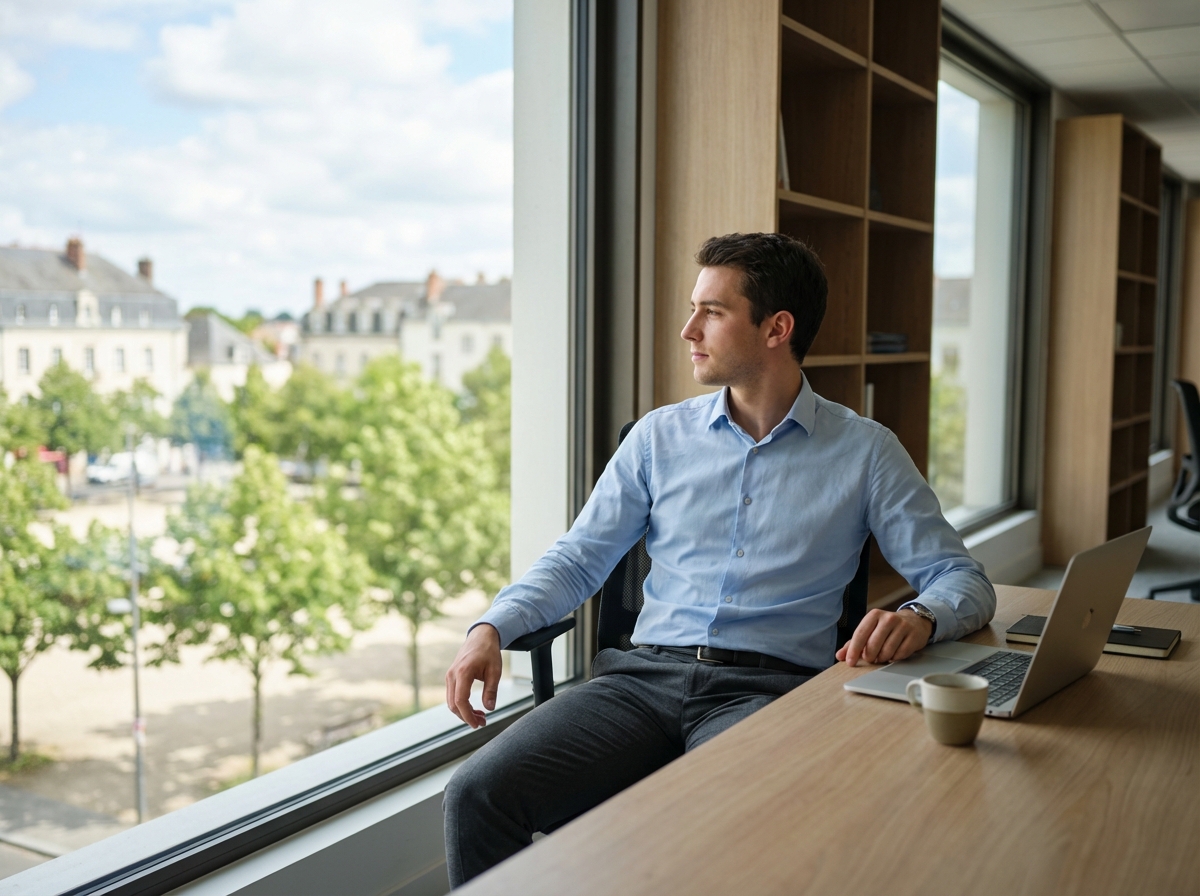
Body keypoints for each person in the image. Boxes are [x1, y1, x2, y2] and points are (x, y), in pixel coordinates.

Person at [442, 232, 995, 887]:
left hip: (769, 694)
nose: (688, 330)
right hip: (639, 683)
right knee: (476, 795)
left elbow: (962, 578)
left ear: (776, 329)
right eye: (693, 309)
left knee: (704, 836)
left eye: (712, 311)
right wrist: (492, 626)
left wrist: (922, 618)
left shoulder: (866, 452)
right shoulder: (658, 438)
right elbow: (578, 558)